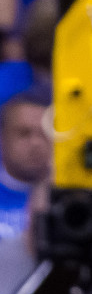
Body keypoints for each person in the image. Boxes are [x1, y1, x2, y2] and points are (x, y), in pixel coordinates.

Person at [0, 90, 50, 240]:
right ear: (3, 138)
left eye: (44, 133)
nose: (35, 143)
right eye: (24, 133)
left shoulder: (71, 197)